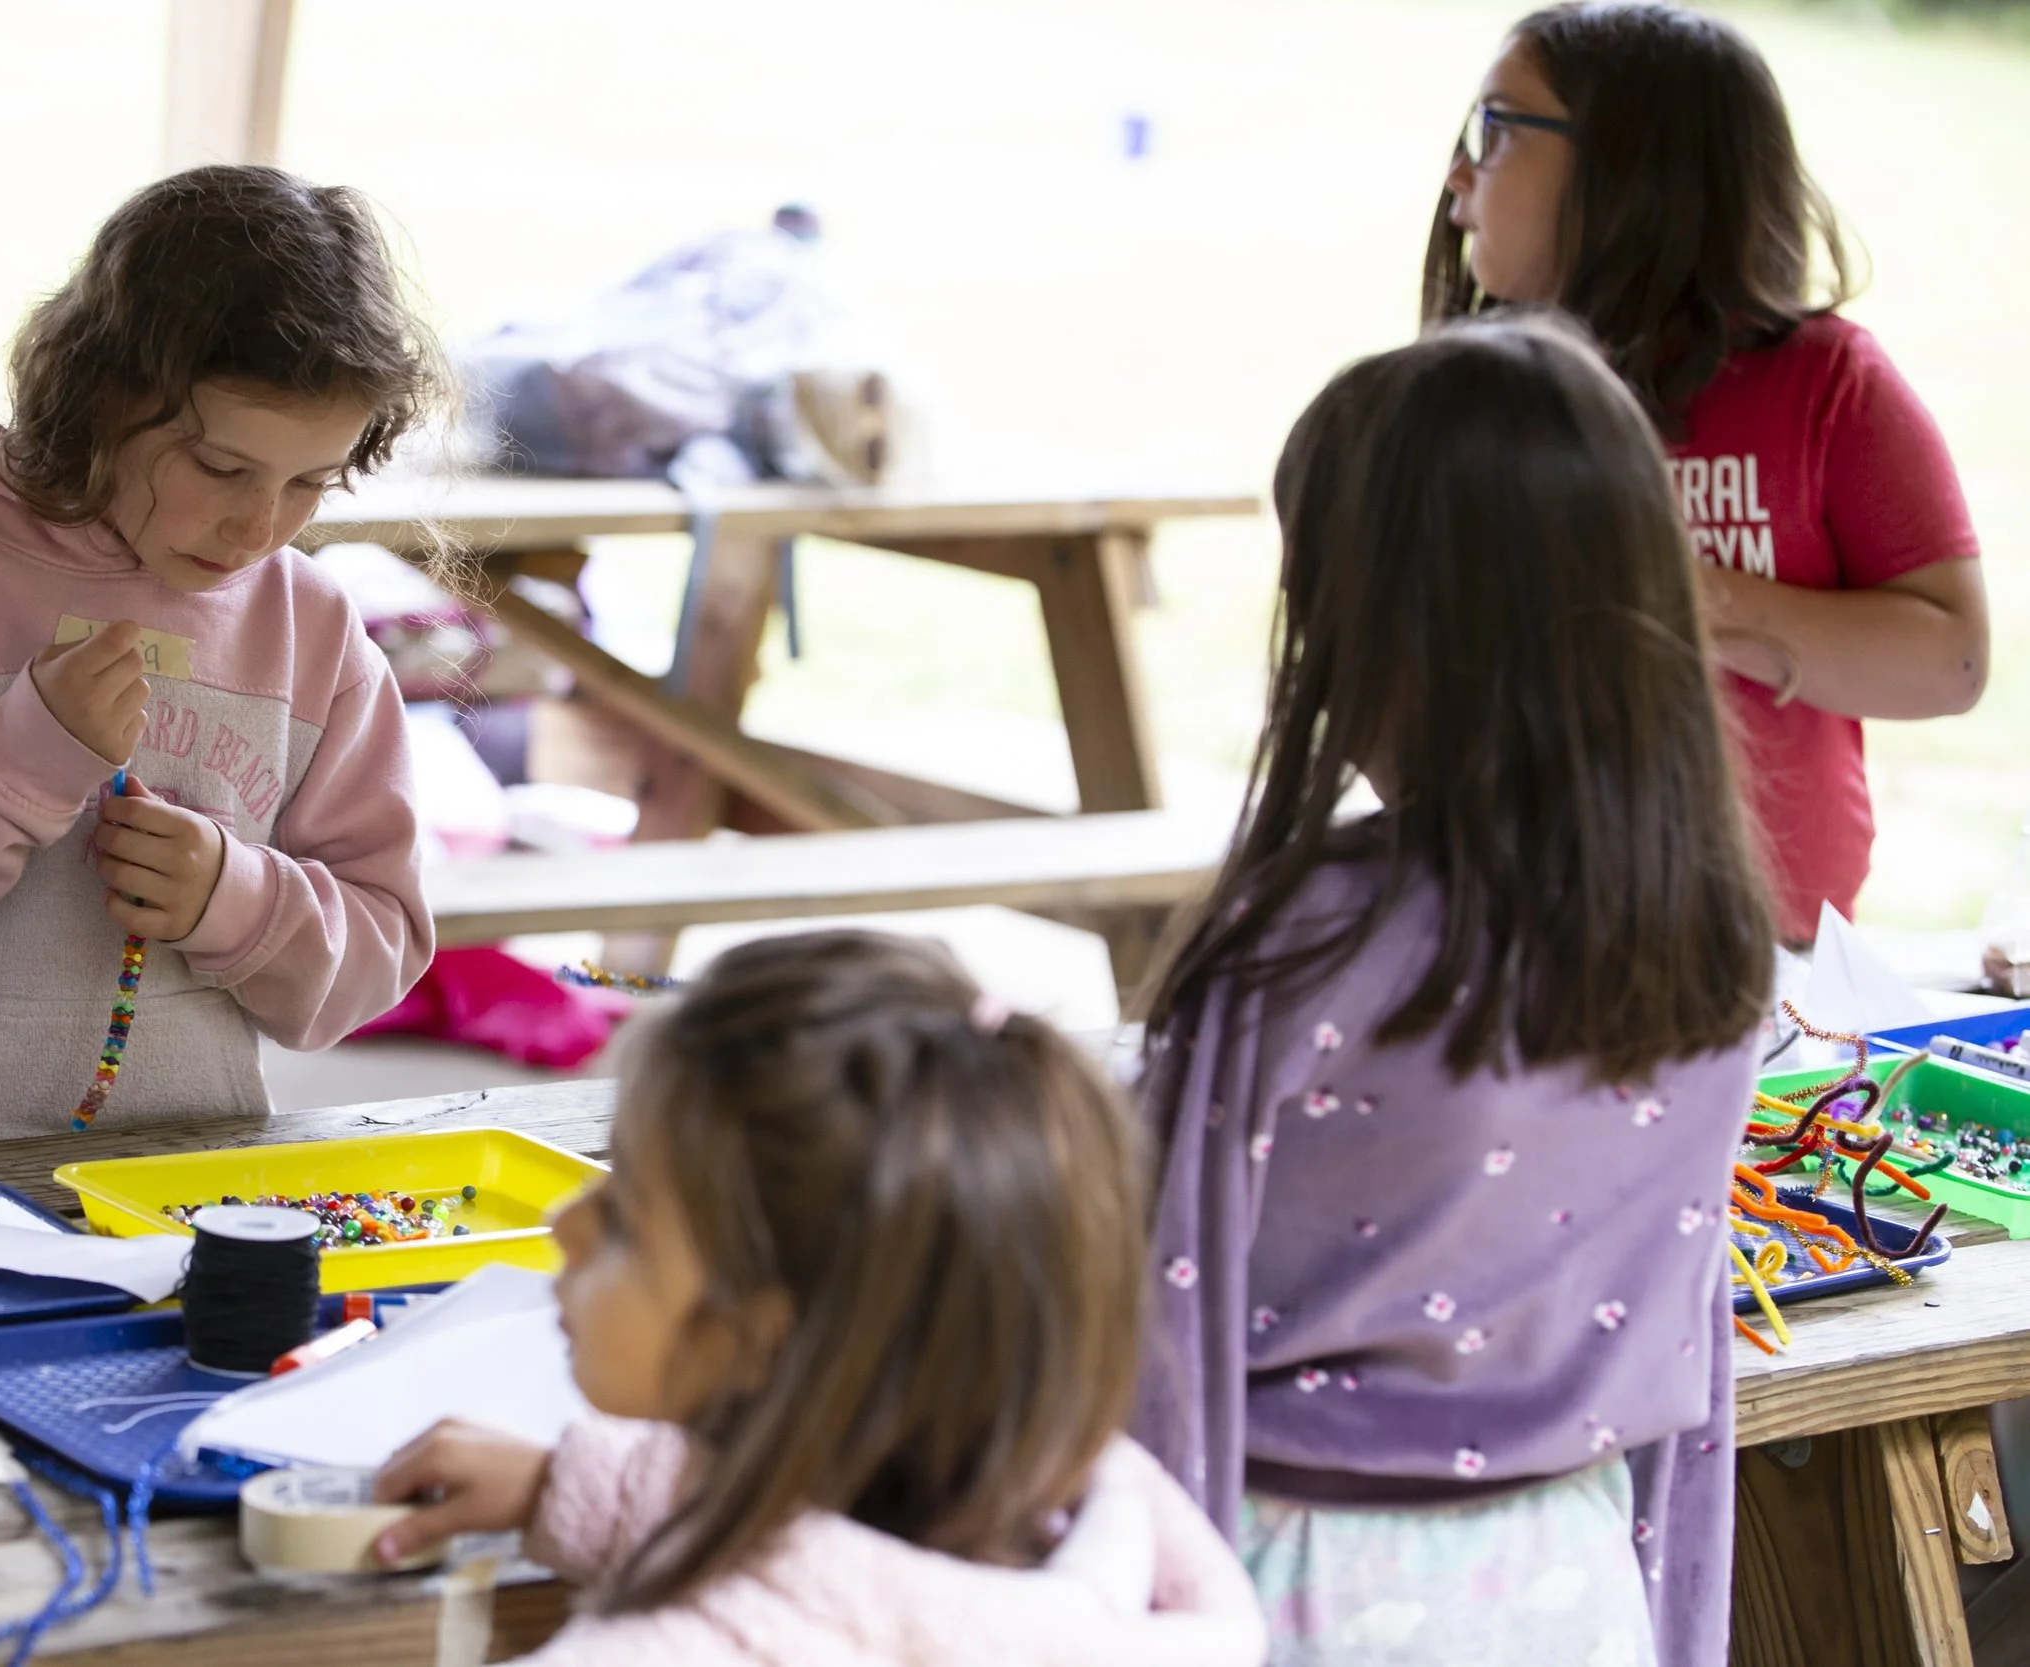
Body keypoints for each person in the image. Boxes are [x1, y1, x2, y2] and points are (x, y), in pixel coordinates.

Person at [1136, 315, 1775, 1667]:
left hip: (1293, 1574)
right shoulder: (1710, 946)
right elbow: (1690, 1376)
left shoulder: (1292, 939)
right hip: (1576, 1574)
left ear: (1392, 626)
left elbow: (1156, 1328)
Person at [0, 165, 438, 1145]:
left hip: (178, 1191)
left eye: (310, 482)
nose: (257, 525)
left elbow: (377, 949)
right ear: (101, 395)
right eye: (220, 467)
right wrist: (6, 768)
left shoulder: (314, 638)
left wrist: (233, 895)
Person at [369, 930, 1268, 1666]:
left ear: (765, 1339)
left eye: (628, 1212)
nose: (567, 1223)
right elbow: (844, 1583)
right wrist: (588, 1491)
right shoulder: (1109, 1545)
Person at [1426, 0, 1988, 946]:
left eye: (1497, 128)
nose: (1458, 172)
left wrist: (1668, 593)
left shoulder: (1826, 385)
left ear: (1631, 166)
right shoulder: (1471, 401)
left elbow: (1951, 661)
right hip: (1518, 939)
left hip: (1768, 959)